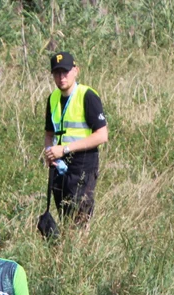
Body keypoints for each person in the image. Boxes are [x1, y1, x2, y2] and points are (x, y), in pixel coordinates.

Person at [42, 51, 108, 225]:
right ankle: (67, 251)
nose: (61, 77)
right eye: (57, 73)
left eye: (65, 71)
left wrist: (64, 149)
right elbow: (49, 133)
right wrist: (49, 152)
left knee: (80, 219)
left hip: (83, 163)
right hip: (59, 164)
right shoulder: (52, 99)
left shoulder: (87, 96)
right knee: (66, 218)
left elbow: (102, 135)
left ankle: (81, 250)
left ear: (75, 71)